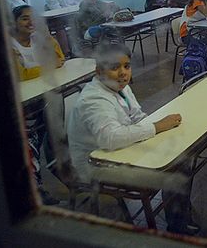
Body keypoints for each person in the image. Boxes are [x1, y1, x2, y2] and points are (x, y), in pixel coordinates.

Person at [66, 44, 197, 234]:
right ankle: (177, 227)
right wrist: (157, 127)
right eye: (114, 68)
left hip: (116, 152)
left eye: (126, 66)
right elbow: (110, 138)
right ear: (99, 72)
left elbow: (137, 116)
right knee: (175, 170)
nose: (123, 73)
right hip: (94, 165)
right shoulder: (93, 100)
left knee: (180, 157)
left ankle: (180, 216)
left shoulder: (120, 87)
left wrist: (160, 133)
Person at [10, 5, 65, 205]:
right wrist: (46, 66)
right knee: (30, 146)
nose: (31, 22)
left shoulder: (37, 39)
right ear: (14, 23)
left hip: (42, 97)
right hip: (22, 103)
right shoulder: (10, 45)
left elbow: (60, 59)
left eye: (33, 18)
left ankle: (60, 171)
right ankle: (36, 190)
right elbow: (21, 75)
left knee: (49, 138)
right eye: (24, 18)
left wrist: (47, 36)